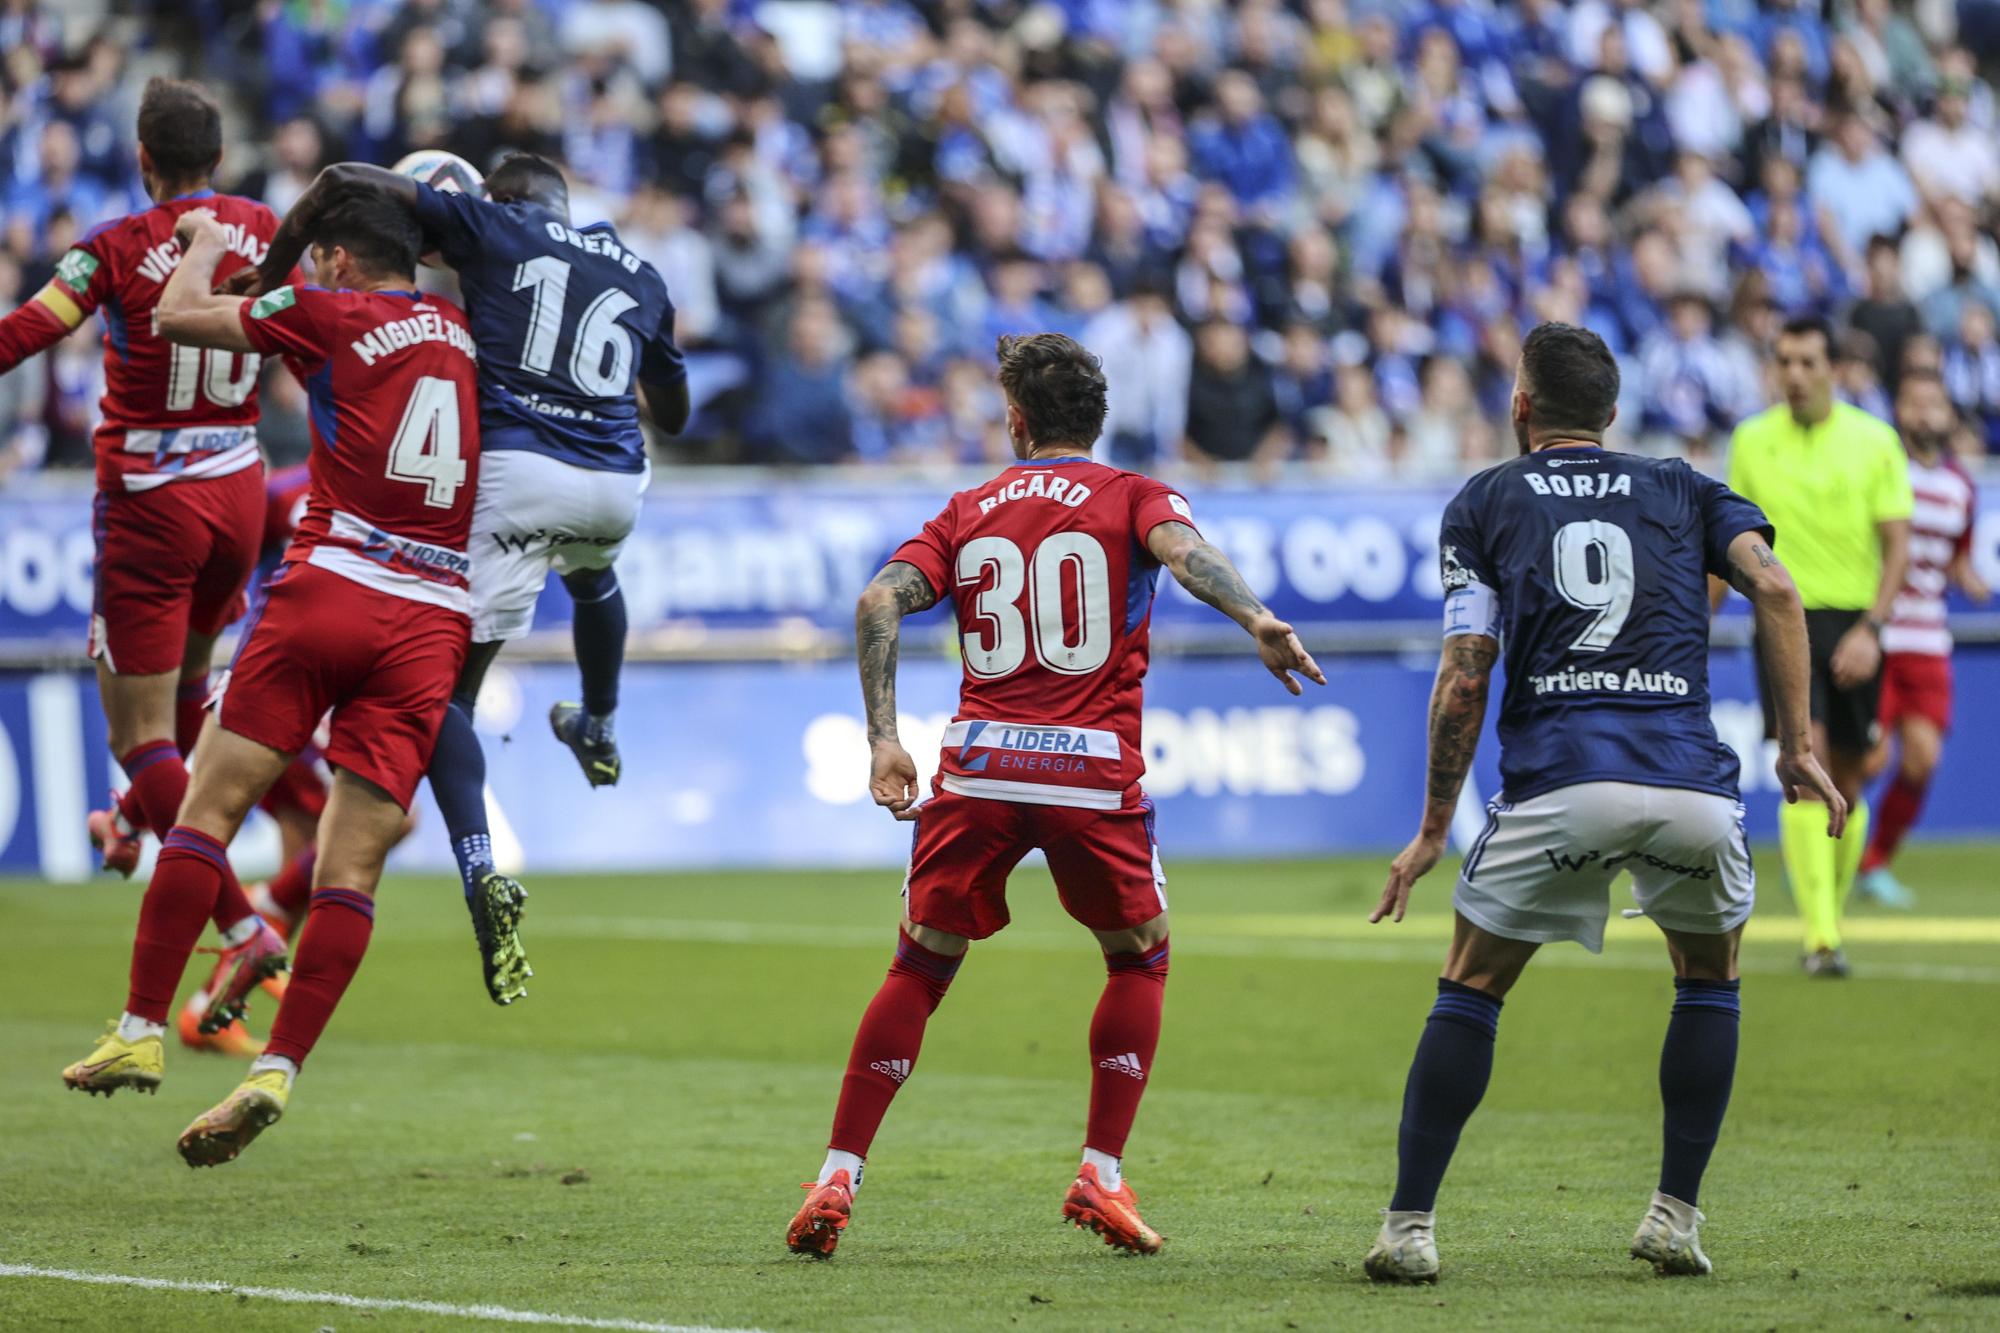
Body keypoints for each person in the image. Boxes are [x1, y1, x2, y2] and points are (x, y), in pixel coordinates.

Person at [785, 333, 1325, 1258]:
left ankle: (838, 1171)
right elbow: (1185, 553)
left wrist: (885, 738)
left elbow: (879, 601)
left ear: (1017, 420)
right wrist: (1255, 616)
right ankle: (1100, 1173)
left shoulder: (970, 506)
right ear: (1098, 420)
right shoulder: (1133, 495)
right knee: (1138, 957)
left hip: (982, 766)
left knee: (919, 965)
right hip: (1089, 770)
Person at [1362, 322, 1845, 1284]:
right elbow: (1780, 590)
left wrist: (1429, 830)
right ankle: (1674, 1215)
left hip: (1563, 780)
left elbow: (1465, 674)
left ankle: (1408, 1227)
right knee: (1711, 975)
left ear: (1522, 405)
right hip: (1689, 786)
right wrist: (1795, 748)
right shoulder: (1681, 483)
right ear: (1613, 412)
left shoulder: (1485, 499)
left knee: (1472, 982)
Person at [60, 191, 481, 1170]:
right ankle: (276, 1069)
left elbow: (175, 317)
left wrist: (206, 243)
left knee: (204, 810)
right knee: (353, 867)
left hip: (329, 590)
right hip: (431, 617)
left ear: (335, 261)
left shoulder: (326, 311)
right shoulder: (462, 330)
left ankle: (140, 1025)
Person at [249, 152, 691, 1006]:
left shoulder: (500, 227)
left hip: (519, 473)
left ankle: (479, 869)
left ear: (505, 202)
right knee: (593, 574)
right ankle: (598, 720)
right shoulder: (641, 270)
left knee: (443, 693)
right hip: (618, 482)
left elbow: (344, 179)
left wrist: (266, 270)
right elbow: (674, 410)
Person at [0, 78, 291, 1028]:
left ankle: (244, 925)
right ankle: (132, 817)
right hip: (240, 493)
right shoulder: (264, 226)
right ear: (218, 157)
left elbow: (33, 330)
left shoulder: (116, 247)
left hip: (153, 506)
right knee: (193, 693)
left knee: (142, 735)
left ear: (141, 158)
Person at [1725, 316, 1913, 976]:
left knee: (1854, 775)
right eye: (1784, 362)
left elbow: (1897, 545)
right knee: (1807, 767)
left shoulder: (1875, 441)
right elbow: (1730, 538)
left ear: (1833, 367)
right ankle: (1821, 937)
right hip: (1782, 618)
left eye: (1807, 362)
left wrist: (1873, 628)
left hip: (1854, 622)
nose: (1795, 375)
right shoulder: (1751, 440)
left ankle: (1828, 913)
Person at [1856, 369, 1988, 906]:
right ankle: (1826, 852)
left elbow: (1956, 558)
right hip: (1879, 634)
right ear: (1899, 412)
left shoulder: (1961, 488)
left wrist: (1970, 580)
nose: (1925, 414)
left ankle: (1874, 862)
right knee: (1867, 760)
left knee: (1923, 760)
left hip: (1929, 639)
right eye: (1914, 403)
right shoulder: (1884, 474)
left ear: (1949, 415)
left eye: (1935, 404)